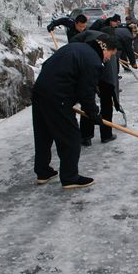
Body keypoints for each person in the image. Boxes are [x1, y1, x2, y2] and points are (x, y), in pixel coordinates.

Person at [32, 34, 118, 189]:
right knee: (70, 137)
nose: (109, 58)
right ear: (105, 48)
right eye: (111, 54)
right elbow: (86, 94)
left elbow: (48, 66)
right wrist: (94, 115)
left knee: (43, 134)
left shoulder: (77, 47)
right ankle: (70, 177)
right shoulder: (93, 61)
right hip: (58, 97)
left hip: (40, 91)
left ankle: (43, 172)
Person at [71, 29, 121, 146]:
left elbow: (73, 41)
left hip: (98, 71)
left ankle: (86, 136)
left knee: (88, 99)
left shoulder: (88, 36)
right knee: (104, 101)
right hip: (104, 75)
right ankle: (106, 134)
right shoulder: (100, 43)